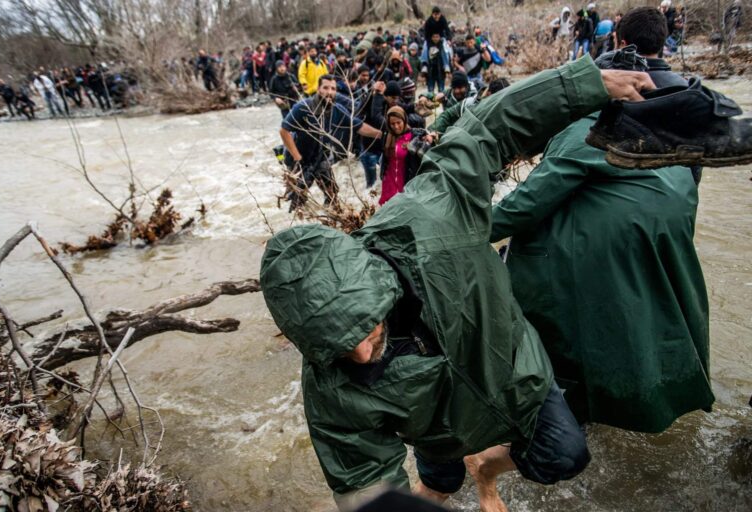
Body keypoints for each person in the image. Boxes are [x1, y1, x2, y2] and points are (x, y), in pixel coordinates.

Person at [261, 58, 655, 512]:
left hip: (515, 372)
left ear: (373, 284)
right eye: (339, 349)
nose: (362, 355)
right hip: (440, 432)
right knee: (438, 488)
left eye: (362, 331)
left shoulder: (429, 217)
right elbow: (364, 484)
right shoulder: (329, 389)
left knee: (564, 456)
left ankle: (485, 470)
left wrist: (588, 83)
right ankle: (458, 470)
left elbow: (485, 130)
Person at [490, 7, 714, 434]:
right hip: (667, 230)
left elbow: (527, 203)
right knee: (647, 320)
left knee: (547, 291)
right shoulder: (684, 99)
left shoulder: (595, 121)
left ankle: (564, 408)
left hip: (607, 249)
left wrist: (470, 226)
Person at [280, 75, 382, 209]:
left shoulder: (337, 109)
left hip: (320, 156)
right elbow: (284, 131)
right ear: (318, 89)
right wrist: (297, 157)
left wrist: (381, 134)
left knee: (332, 194)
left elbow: (358, 126)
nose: (330, 92)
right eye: (326, 88)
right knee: (297, 199)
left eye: (333, 89)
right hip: (297, 160)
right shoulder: (303, 107)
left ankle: (329, 216)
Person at [378, 106, 423, 205]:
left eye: (399, 122)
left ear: (404, 120)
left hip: (406, 183)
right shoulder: (387, 137)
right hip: (389, 183)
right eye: (392, 124)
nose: (396, 126)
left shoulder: (414, 136)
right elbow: (385, 160)